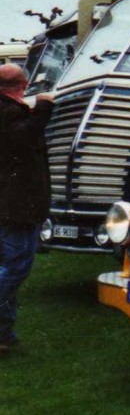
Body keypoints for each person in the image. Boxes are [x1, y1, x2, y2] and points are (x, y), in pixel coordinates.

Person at [0, 64, 54, 354]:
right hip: (16, 206)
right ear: (23, 85)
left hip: (12, 205)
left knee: (10, 267)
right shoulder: (8, 112)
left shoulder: (10, 110)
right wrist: (43, 108)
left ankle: (4, 334)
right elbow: (22, 138)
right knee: (15, 268)